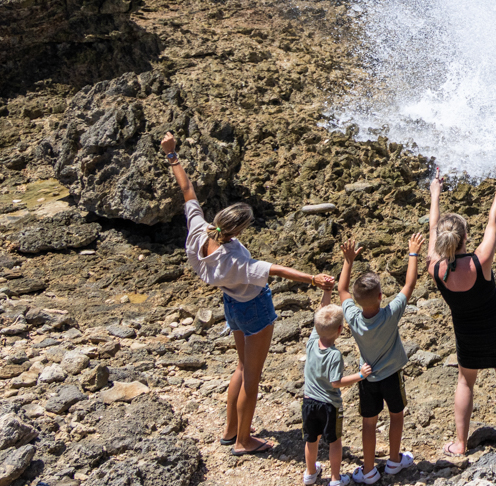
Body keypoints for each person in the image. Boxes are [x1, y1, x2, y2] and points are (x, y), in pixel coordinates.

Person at [163, 131, 334, 457]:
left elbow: (187, 190)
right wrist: (313, 278)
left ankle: (230, 431)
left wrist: (173, 155)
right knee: (251, 377)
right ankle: (243, 440)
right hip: (254, 309)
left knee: (241, 369)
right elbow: (278, 270)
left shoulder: (199, 232)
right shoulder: (237, 261)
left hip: (232, 306)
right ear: (237, 231)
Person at [428, 166, 496, 457]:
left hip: (467, 335)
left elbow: (433, 229)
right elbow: (494, 220)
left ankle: (459, 443)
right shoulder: (481, 261)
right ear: (466, 236)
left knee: (465, 381)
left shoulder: (436, 269)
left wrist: (435, 195)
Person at [337, 233, 424, 483]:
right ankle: (394, 461)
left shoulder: (353, 316)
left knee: (368, 422)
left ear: (356, 301)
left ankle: (368, 470)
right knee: (396, 415)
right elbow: (409, 285)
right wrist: (413, 253)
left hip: (368, 377)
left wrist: (348, 260)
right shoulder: (389, 314)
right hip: (392, 376)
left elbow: (341, 289)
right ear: (380, 297)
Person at [302, 286, 374, 486]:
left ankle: (309, 473)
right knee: (334, 441)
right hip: (328, 405)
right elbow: (336, 382)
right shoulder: (334, 355)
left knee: (311, 439)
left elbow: (322, 311)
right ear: (341, 330)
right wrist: (360, 375)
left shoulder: (311, 342)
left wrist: (326, 292)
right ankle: (335, 478)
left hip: (308, 401)